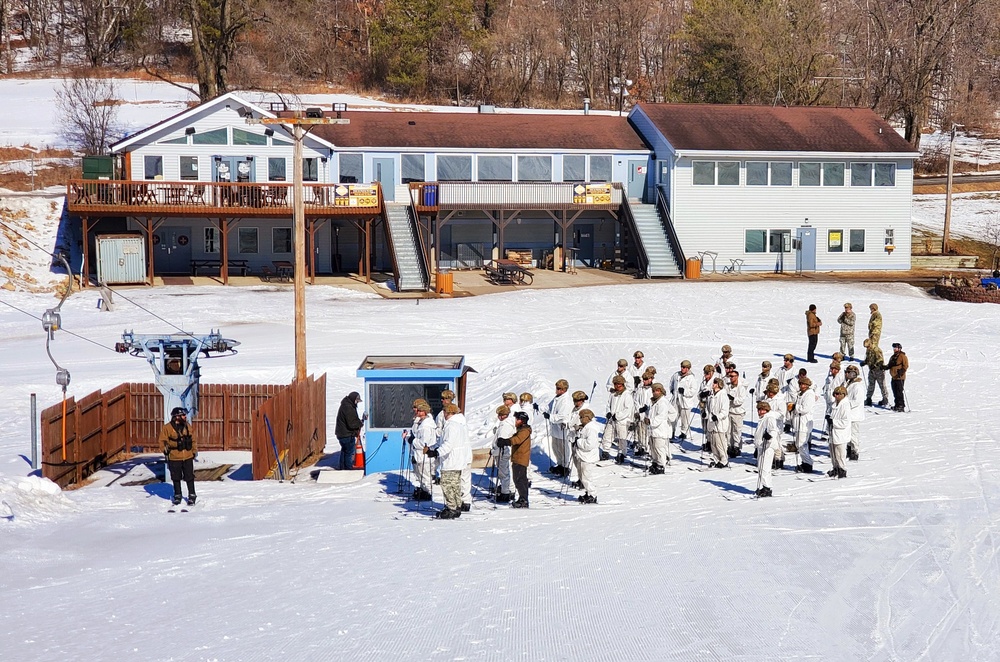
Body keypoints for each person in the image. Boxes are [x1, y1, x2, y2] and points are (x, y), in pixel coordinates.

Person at [425, 404, 472, 519]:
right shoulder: (460, 425)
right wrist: (434, 448)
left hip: (451, 460)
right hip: (458, 459)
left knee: (447, 484)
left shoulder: (451, 426)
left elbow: (448, 444)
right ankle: (457, 506)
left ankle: (451, 507)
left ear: (447, 412)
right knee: (455, 484)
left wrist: (436, 453)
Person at [160, 407, 197, 506]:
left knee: (190, 477)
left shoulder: (187, 426)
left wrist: (194, 451)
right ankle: (177, 495)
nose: (185, 417)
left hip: (188, 456)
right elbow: (162, 441)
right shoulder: (167, 428)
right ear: (177, 417)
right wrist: (165, 450)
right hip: (174, 457)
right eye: (183, 415)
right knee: (176, 477)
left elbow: (193, 439)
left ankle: (192, 495)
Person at [407, 402, 437, 500]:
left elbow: (425, 442)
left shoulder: (426, 426)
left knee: (425, 476)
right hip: (418, 455)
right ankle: (424, 491)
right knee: (420, 474)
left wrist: (413, 440)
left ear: (424, 412)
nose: (417, 412)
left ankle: (428, 493)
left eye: (419, 410)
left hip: (424, 455)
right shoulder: (421, 423)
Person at [602, 375, 635, 464]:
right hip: (611, 419)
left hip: (622, 420)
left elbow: (628, 409)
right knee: (607, 435)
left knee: (622, 438)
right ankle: (605, 451)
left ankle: (621, 454)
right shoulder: (613, 394)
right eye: (616, 384)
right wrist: (608, 412)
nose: (617, 386)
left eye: (619, 385)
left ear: (623, 384)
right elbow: (608, 405)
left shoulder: (627, 395)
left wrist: (618, 416)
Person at [646, 382, 677, 474]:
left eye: (657, 391)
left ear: (661, 391)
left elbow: (660, 417)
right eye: (654, 391)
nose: (655, 392)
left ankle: (661, 465)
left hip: (660, 430)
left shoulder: (663, 402)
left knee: (659, 448)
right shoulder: (654, 402)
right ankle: (655, 462)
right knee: (653, 447)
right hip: (653, 430)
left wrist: (650, 421)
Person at [545, 379, 574, 476]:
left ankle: (565, 467)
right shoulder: (557, 398)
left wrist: (551, 417)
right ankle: (560, 464)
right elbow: (549, 407)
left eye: (558, 388)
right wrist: (542, 410)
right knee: (555, 447)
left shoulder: (565, 401)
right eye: (556, 388)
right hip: (555, 428)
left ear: (564, 389)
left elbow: (563, 416)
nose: (556, 390)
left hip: (562, 427)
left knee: (563, 448)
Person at [572, 409, 601, 503]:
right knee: (582, 476)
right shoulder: (586, 427)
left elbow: (590, 444)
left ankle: (592, 494)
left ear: (587, 418)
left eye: (581, 417)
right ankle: (588, 493)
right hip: (583, 456)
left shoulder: (591, 429)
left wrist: (578, 441)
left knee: (586, 477)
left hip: (588, 457)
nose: (580, 419)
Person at [752, 401, 780, 497]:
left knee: (764, 468)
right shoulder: (762, 419)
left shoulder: (769, 418)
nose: (760, 411)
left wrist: (769, 436)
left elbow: (774, 430)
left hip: (768, 447)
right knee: (761, 467)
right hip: (761, 446)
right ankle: (765, 486)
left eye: (762, 410)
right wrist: (756, 448)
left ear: (766, 410)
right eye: (759, 409)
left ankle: (767, 488)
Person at [489, 405, 516, 503]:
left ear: (503, 415)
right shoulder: (505, 424)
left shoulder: (505, 425)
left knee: (503, 473)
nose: (498, 417)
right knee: (506, 472)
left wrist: (494, 451)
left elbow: (502, 442)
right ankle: (510, 490)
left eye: (499, 415)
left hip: (502, 453)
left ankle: (505, 493)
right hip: (503, 452)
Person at [791, 377, 817, 473]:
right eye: (800, 384)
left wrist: (795, 407)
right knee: (800, 444)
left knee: (801, 444)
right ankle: (805, 462)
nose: (802, 386)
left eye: (804, 384)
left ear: (807, 385)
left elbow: (805, 409)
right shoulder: (800, 394)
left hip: (804, 423)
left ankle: (808, 463)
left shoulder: (809, 395)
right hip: (799, 422)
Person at [705, 377, 731, 468]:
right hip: (712, 422)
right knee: (713, 443)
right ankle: (716, 459)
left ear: (719, 385)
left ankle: (724, 460)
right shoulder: (711, 396)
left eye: (715, 383)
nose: (713, 384)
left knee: (720, 443)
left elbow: (725, 411)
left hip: (719, 423)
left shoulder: (723, 396)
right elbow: (708, 407)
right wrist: (706, 413)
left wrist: (718, 417)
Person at [508, 412, 533, 507]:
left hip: (521, 458)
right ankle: (522, 498)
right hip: (517, 458)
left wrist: (507, 441)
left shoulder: (524, 431)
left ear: (522, 420)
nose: (516, 421)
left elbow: (517, 440)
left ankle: (524, 500)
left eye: (517, 419)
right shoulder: (521, 430)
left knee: (520, 479)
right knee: (518, 479)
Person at [669, 360, 697, 442]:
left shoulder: (691, 378)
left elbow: (693, 390)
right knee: (673, 416)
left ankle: (684, 433)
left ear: (688, 368)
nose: (682, 369)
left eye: (684, 367)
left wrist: (684, 391)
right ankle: (672, 432)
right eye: (681, 367)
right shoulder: (676, 375)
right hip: (676, 399)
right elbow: (671, 383)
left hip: (685, 401)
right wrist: (672, 390)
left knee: (685, 418)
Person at [335, 391, 363, 470]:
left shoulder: (346, 405)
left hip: (342, 434)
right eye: (356, 401)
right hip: (346, 434)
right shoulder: (348, 408)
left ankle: (342, 468)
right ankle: (348, 469)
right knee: (349, 452)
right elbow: (352, 423)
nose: (357, 403)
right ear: (353, 399)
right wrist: (360, 423)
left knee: (344, 451)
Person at [828, 386, 851, 478]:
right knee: (833, 452)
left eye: (838, 394)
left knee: (840, 453)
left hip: (841, 434)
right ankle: (835, 468)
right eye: (835, 394)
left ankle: (842, 470)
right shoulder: (834, 405)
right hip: (833, 433)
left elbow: (845, 421)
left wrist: (833, 422)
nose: (836, 396)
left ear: (843, 395)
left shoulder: (845, 405)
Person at [844, 364, 865, 461]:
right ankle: (849, 449)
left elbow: (857, 401)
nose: (846, 374)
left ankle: (854, 451)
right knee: (848, 433)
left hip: (854, 414)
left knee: (854, 434)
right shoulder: (849, 384)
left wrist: (846, 404)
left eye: (848, 372)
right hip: (849, 414)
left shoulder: (858, 386)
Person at [725, 369, 748, 458]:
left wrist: (732, 399)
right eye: (730, 376)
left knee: (737, 430)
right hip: (729, 411)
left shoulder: (741, 388)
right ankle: (729, 446)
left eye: (733, 376)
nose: (731, 378)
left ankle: (737, 446)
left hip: (738, 412)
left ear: (737, 377)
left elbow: (740, 400)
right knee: (728, 430)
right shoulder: (728, 386)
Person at [632, 371, 654, 458]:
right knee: (640, 430)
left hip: (648, 415)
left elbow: (653, 402)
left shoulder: (652, 390)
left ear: (650, 379)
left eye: (646, 379)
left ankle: (648, 449)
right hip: (640, 413)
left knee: (647, 432)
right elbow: (635, 400)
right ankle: (641, 447)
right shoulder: (640, 389)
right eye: (643, 379)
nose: (644, 381)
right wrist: (638, 409)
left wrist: (647, 408)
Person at [861, 338, 890, 407]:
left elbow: (880, 360)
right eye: (866, 347)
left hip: (879, 371)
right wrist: (864, 363)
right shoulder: (868, 350)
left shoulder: (876, 350)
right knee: (871, 385)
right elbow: (868, 359)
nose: (867, 348)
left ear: (870, 344)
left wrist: (876, 365)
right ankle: (868, 398)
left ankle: (885, 399)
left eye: (867, 346)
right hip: (871, 371)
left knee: (882, 385)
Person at [887, 342, 909, 412]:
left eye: (896, 348)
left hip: (900, 377)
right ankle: (897, 405)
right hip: (894, 377)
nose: (894, 349)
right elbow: (889, 365)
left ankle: (901, 406)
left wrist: (902, 371)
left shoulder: (902, 356)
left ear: (899, 348)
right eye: (894, 348)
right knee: (895, 392)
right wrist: (883, 367)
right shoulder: (893, 357)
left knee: (899, 392)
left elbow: (906, 365)